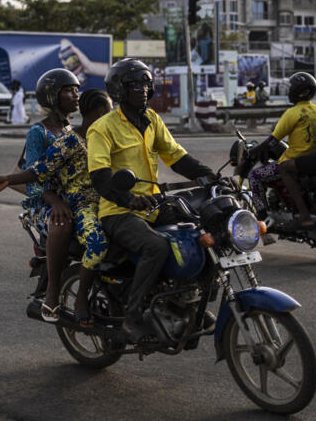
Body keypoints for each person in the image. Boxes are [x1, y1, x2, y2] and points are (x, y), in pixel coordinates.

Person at [87, 59, 219, 342]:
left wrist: (209, 176)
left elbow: (177, 157)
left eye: (146, 84)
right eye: (135, 84)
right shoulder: (103, 128)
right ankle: (132, 316)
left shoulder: (152, 120)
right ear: (120, 90)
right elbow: (100, 178)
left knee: (203, 231)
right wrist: (128, 199)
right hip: (118, 212)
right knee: (156, 247)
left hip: (154, 206)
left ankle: (189, 304)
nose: (143, 89)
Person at [0, 84, 113, 326]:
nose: (76, 94)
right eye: (69, 90)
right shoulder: (40, 132)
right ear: (53, 97)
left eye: (77, 90)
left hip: (76, 198)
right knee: (62, 223)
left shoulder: (78, 131)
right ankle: (52, 293)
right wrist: (54, 201)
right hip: (45, 202)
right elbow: (36, 174)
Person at [261, 72, 316, 230]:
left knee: (255, 176)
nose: (288, 92)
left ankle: (262, 217)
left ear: (299, 91)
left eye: (291, 89)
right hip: (315, 161)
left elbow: (273, 140)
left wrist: (256, 149)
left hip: (295, 160)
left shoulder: (292, 113)